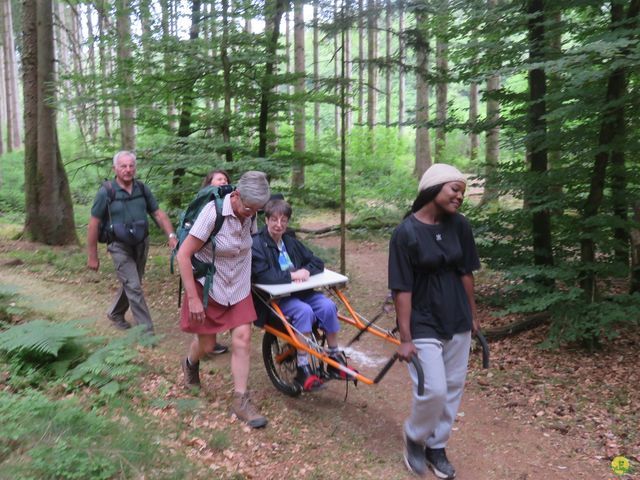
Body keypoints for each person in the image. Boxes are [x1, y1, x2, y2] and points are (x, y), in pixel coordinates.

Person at [388, 163, 480, 479]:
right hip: (422, 317)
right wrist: (405, 337)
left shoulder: (461, 227)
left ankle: (436, 445)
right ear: (433, 188)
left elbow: (466, 272)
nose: (460, 197)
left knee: (453, 387)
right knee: (434, 389)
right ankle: (415, 436)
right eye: (455, 189)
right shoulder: (405, 233)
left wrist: (474, 317)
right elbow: (401, 286)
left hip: (457, 315)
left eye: (462, 192)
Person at [178, 170, 270, 429]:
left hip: (238, 285)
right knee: (207, 346)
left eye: (257, 210)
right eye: (248, 208)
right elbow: (183, 256)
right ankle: (190, 363)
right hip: (209, 287)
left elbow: (248, 245)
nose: (251, 214)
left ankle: (241, 401)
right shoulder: (212, 213)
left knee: (242, 337)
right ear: (237, 195)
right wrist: (194, 299)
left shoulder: (250, 214)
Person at [251, 199, 348, 392]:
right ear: (266, 219)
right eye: (275, 219)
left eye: (284, 220)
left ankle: (333, 356)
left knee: (328, 306)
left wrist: (306, 272)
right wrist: (292, 275)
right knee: (303, 311)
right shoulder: (257, 244)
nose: (279, 224)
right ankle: (303, 367)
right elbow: (261, 274)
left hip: (301, 292)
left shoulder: (290, 241)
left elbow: (316, 262)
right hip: (275, 300)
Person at [87, 150, 178, 334]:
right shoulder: (106, 192)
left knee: (132, 282)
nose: (128, 170)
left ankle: (115, 312)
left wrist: (171, 236)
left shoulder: (142, 189)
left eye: (131, 166)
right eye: (123, 166)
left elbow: (158, 214)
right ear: (115, 168)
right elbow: (94, 224)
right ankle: (146, 332)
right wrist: (92, 256)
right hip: (118, 245)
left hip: (141, 243)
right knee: (134, 286)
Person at [201, 168, 233, 355]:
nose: (223, 181)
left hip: (224, 260)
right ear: (209, 183)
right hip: (206, 259)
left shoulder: (233, 202)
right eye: (218, 179)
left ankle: (209, 344)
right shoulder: (206, 204)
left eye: (225, 179)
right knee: (208, 302)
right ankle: (205, 346)